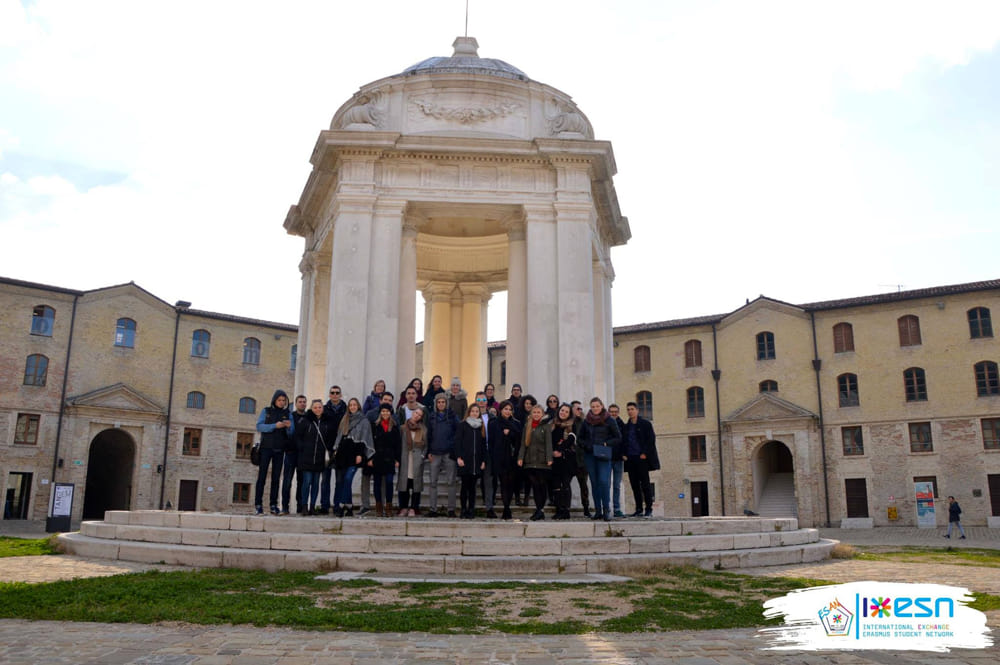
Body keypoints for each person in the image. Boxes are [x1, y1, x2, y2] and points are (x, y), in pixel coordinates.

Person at [578, 396, 622, 522]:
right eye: (593, 407)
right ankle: (598, 511)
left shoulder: (609, 420)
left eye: (597, 406)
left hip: (603, 454)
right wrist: (587, 446)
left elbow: (618, 437)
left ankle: (607, 509)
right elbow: (580, 438)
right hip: (590, 455)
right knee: (594, 482)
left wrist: (606, 444)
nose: (595, 408)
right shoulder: (586, 421)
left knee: (603, 481)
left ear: (601, 406)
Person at [331, 397, 374, 517]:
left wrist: (360, 454)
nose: (352, 407)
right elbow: (339, 436)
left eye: (354, 405)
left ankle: (341, 505)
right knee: (342, 480)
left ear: (358, 406)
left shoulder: (364, 421)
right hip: (343, 453)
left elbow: (365, 439)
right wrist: (335, 449)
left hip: (355, 454)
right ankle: (349, 506)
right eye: (350, 405)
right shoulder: (345, 419)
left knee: (348, 478)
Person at [254, 389, 292, 515]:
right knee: (262, 477)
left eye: (283, 400)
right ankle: (258, 505)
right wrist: (274, 426)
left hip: (279, 449)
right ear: (274, 400)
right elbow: (259, 426)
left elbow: (291, 432)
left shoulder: (288, 413)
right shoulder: (267, 411)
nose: (281, 402)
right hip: (266, 448)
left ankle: (273, 504)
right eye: (279, 400)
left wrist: (288, 427)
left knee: (276, 478)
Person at [622, 401, 660, 517]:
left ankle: (648, 508)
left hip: (641, 458)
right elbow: (623, 442)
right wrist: (624, 454)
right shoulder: (626, 427)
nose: (630, 411)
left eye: (632, 409)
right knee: (634, 485)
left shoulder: (645, 424)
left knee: (645, 484)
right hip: (630, 458)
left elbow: (651, 440)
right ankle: (638, 508)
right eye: (628, 409)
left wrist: (645, 453)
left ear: (637, 410)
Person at [426, 393, 459, 517]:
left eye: (443, 402)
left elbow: (458, 433)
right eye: (439, 402)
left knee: (451, 482)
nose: (441, 404)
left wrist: (454, 449)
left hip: (449, 453)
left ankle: (451, 509)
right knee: (433, 482)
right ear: (436, 404)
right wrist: (428, 451)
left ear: (446, 403)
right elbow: (428, 435)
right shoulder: (431, 417)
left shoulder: (452, 417)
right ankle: (432, 509)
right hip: (434, 453)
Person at [518, 403, 553, 521]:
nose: (536, 414)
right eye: (534, 412)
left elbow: (549, 443)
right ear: (531, 414)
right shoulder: (527, 426)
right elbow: (524, 444)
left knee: (542, 485)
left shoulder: (546, 427)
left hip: (542, 461)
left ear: (542, 414)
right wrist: (520, 457)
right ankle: (539, 509)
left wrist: (549, 458)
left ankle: (540, 510)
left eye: (539, 412)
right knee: (535, 486)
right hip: (530, 461)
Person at [297, 399, 331, 515]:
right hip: (307, 457)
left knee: (316, 483)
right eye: (315, 407)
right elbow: (298, 437)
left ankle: (312, 506)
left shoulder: (326, 422)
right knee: (306, 482)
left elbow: (328, 439)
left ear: (323, 408)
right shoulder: (305, 420)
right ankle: (304, 506)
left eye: (319, 407)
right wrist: (303, 449)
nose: (317, 409)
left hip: (319, 458)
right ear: (311, 408)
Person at [489, 400, 522, 520]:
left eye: (509, 409)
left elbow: (519, 440)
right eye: (505, 409)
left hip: (513, 458)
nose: (507, 411)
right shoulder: (494, 423)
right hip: (500, 457)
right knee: (503, 482)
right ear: (500, 410)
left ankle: (507, 506)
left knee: (511, 483)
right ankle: (506, 507)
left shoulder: (516, 423)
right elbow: (491, 442)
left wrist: (510, 434)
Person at [455, 403, 487, 519]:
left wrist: (483, 460)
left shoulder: (481, 427)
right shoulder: (463, 425)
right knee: (465, 486)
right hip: (465, 460)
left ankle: (471, 509)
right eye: (472, 411)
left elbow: (483, 445)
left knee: (473, 488)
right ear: (469, 412)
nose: (474, 413)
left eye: (477, 411)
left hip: (477, 461)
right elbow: (457, 442)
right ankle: (463, 509)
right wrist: (459, 457)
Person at [318, 386, 347, 514]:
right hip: (327, 448)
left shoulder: (346, 410)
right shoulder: (324, 409)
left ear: (340, 395)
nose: (335, 395)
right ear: (329, 395)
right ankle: (324, 506)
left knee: (340, 480)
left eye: (337, 393)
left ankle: (337, 506)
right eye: (332, 393)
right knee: (325, 479)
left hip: (341, 448)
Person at [370, 403, 401, 517]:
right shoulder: (375, 426)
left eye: (387, 411)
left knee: (389, 482)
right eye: (383, 411)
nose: (385, 413)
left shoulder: (395, 427)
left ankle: (388, 506)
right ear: (380, 413)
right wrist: (370, 458)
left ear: (390, 413)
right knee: (377, 483)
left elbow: (398, 445)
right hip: (377, 457)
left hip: (390, 458)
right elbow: (371, 443)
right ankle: (379, 506)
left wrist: (397, 459)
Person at [397, 407, 427, 516]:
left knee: (416, 485)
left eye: (419, 415)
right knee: (404, 484)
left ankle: (414, 507)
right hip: (405, 458)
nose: (417, 416)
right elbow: (398, 444)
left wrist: (422, 456)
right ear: (412, 413)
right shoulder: (403, 428)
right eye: (416, 413)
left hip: (417, 459)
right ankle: (403, 507)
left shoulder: (423, 429)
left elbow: (426, 445)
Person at [550, 403, 578, 520]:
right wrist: (552, 451)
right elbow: (549, 440)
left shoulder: (572, 426)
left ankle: (566, 510)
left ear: (569, 414)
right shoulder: (552, 425)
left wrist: (560, 450)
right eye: (562, 410)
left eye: (566, 411)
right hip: (554, 461)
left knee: (565, 485)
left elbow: (571, 440)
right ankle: (558, 510)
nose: (563, 413)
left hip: (567, 460)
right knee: (556, 485)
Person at [283, 394, 309, 515]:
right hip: (290, 452)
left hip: (303, 454)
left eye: (304, 402)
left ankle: (300, 506)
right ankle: (285, 506)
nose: (302, 404)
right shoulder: (290, 416)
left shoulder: (309, 417)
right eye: (300, 402)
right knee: (287, 480)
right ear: (296, 403)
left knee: (301, 481)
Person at [474, 391, 498, 517]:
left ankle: (489, 507)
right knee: (472, 480)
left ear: (486, 402)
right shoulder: (471, 417)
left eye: (483, 400)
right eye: (479, 400)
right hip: (474, 453)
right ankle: (470, 507)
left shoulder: (492, 418)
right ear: (476, 401)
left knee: (488, 481)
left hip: (489, 452)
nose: (482, 402)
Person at [571, 400, 592, 518]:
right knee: (565, 483)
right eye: (577, 408)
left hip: (582, 458)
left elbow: (588, 438)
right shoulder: (567, 422)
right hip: (569, 458)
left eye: (580, 409)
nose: (580, 411)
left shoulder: (584, 423)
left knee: (583, 484)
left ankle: (586, 507)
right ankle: (563, 507)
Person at [608, 403, 627, 518]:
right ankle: (606, 507)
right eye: (611, 411)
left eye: (615, 411)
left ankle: (617, 508)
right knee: (606, 484)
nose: (613, 413)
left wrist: (624, 454)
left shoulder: (622, 425)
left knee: (616, 485)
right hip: (607, 458)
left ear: (618, 412)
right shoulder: (605, 424)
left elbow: (625, 441)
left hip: (618, 459)